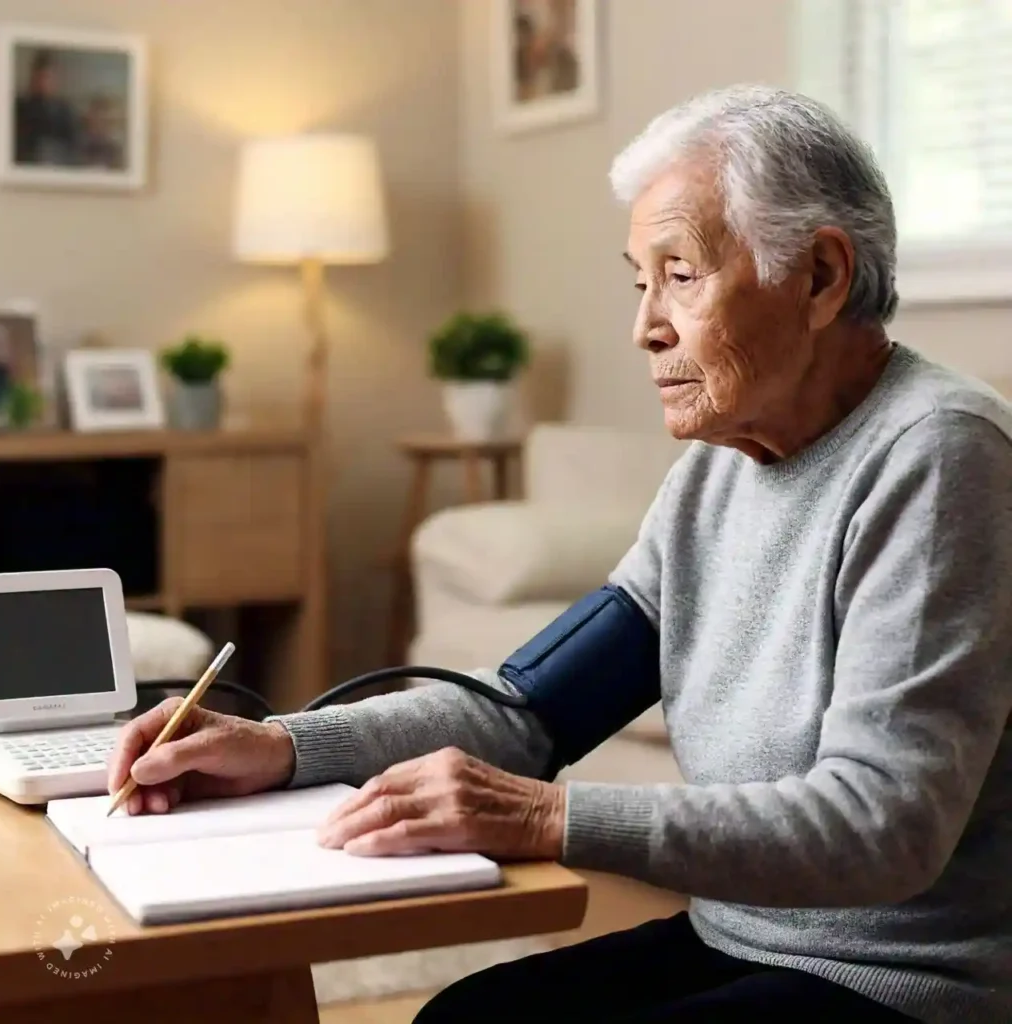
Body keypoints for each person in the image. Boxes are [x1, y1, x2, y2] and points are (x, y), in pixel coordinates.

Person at [107, 85, 1012, 1023]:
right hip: (741, 937)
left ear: (821, 277)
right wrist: (286, 745)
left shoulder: (940, 456)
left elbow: (884, 825)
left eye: (682, 275)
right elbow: (527, 710)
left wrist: (548, 818)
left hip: (908, 981)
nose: (645, 325)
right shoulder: (717, 474)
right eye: (639, 280)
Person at [14, 49, 78, 166]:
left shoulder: (65, 111)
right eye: (39, 77)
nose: (43, 83)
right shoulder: (19, 107)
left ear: (55, 80)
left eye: (48, 77)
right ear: (32, 78)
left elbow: (73, 146)